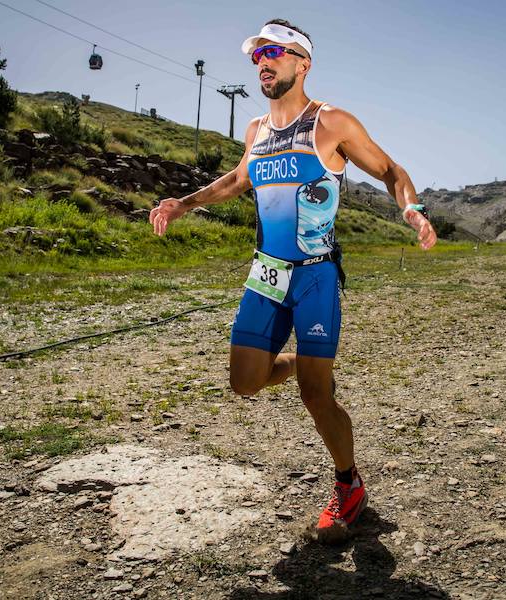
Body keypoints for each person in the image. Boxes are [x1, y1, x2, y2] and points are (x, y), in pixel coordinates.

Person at [149, 19, 437, 541]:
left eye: (275, 51)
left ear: (302, 63)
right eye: (257, 53)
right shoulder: (255, 130)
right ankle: (310, 363)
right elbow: (239, 179)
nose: (263, 60)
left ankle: (348, 485)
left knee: (314, 396)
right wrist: (184, 202)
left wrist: (413, 211)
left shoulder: (332, 123)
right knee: (245, 382)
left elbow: (392, 172)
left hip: (314, 275)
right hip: (267, 271)